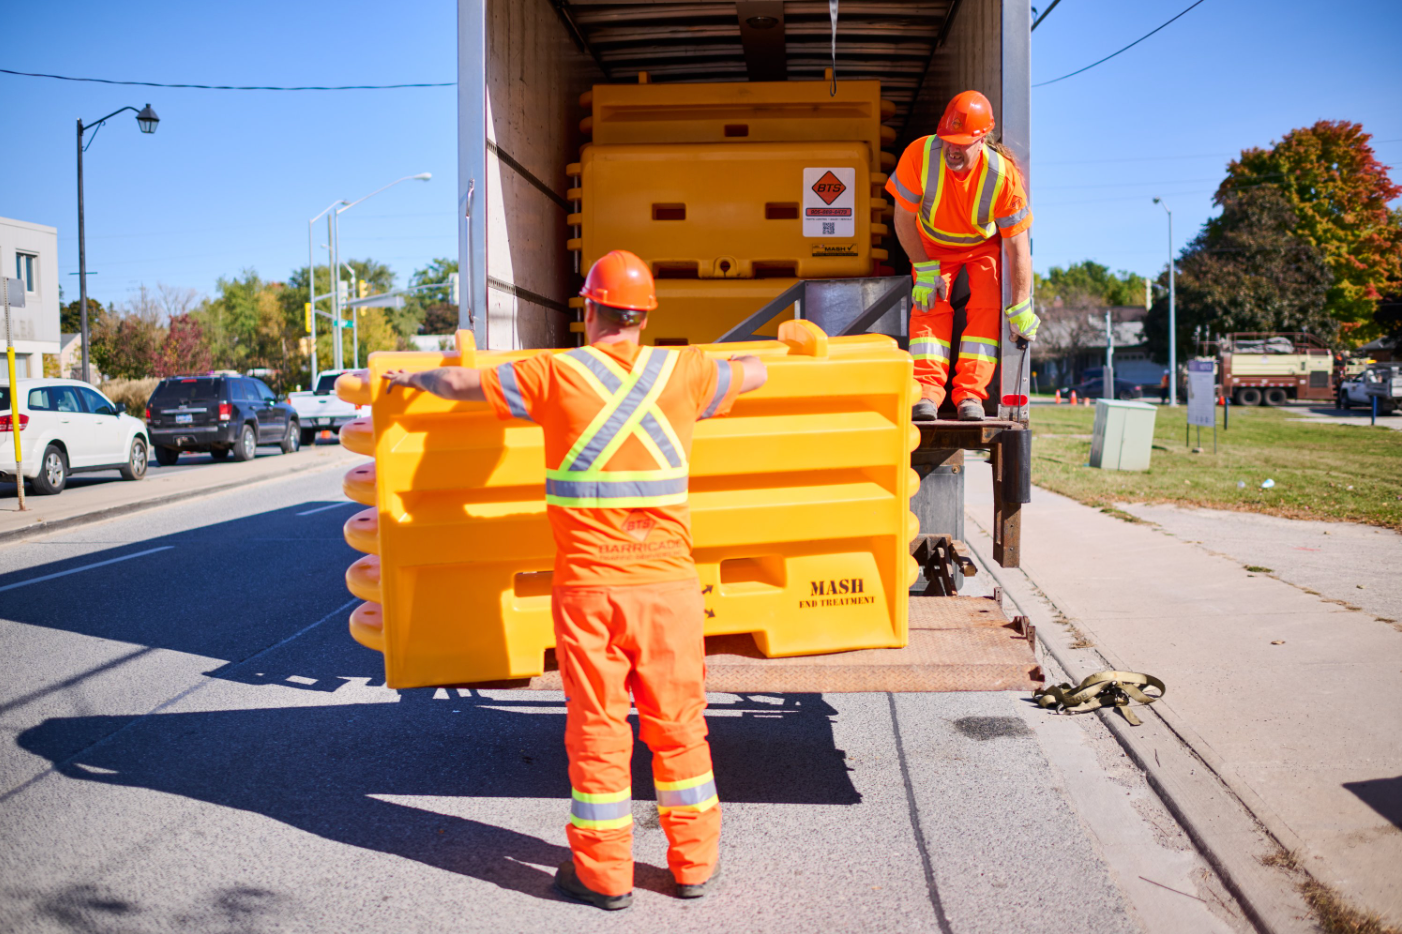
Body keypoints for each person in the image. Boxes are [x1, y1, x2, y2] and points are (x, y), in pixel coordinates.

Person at [382, 249, 767, 910]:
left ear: (588, 311)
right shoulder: (687, 372)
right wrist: (768, 352)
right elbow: (755, 372)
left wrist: (412, 381)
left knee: (598, 730)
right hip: (670, 589)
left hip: (591, 590)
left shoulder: (554, 374)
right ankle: (695, 866)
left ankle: (604, 875)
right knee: (679, 724)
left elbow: (466, 387)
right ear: (644, 317)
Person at [886, 90, 1039, 422]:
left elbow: (1017, 246)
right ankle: (925, 393)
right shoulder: (920, 155)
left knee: (986, 303)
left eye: (961, 142)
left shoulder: (1003, 176)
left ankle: (971, 395)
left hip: (980, 248)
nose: (951, 148)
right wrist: (924, 268)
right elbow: (902, 218)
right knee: (928, 307)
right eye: (947, 139)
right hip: (932, 248)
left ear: (981, 139)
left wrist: (1022, 304)